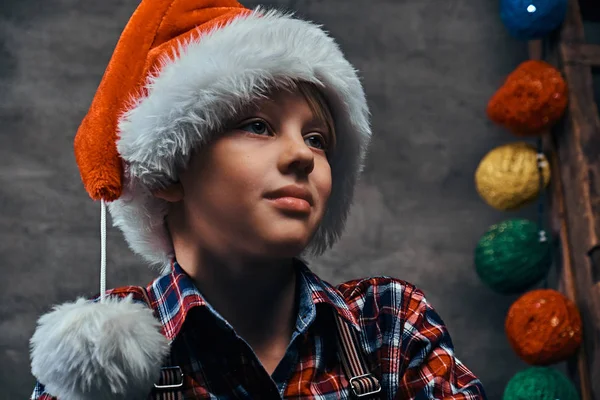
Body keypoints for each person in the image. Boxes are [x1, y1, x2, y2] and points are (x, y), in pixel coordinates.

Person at [29, 0, 487, 399]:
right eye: (258, 126)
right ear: (166, 169)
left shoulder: (388, 324)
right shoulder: (96, 368)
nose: (302, 156)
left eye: (317, 138)